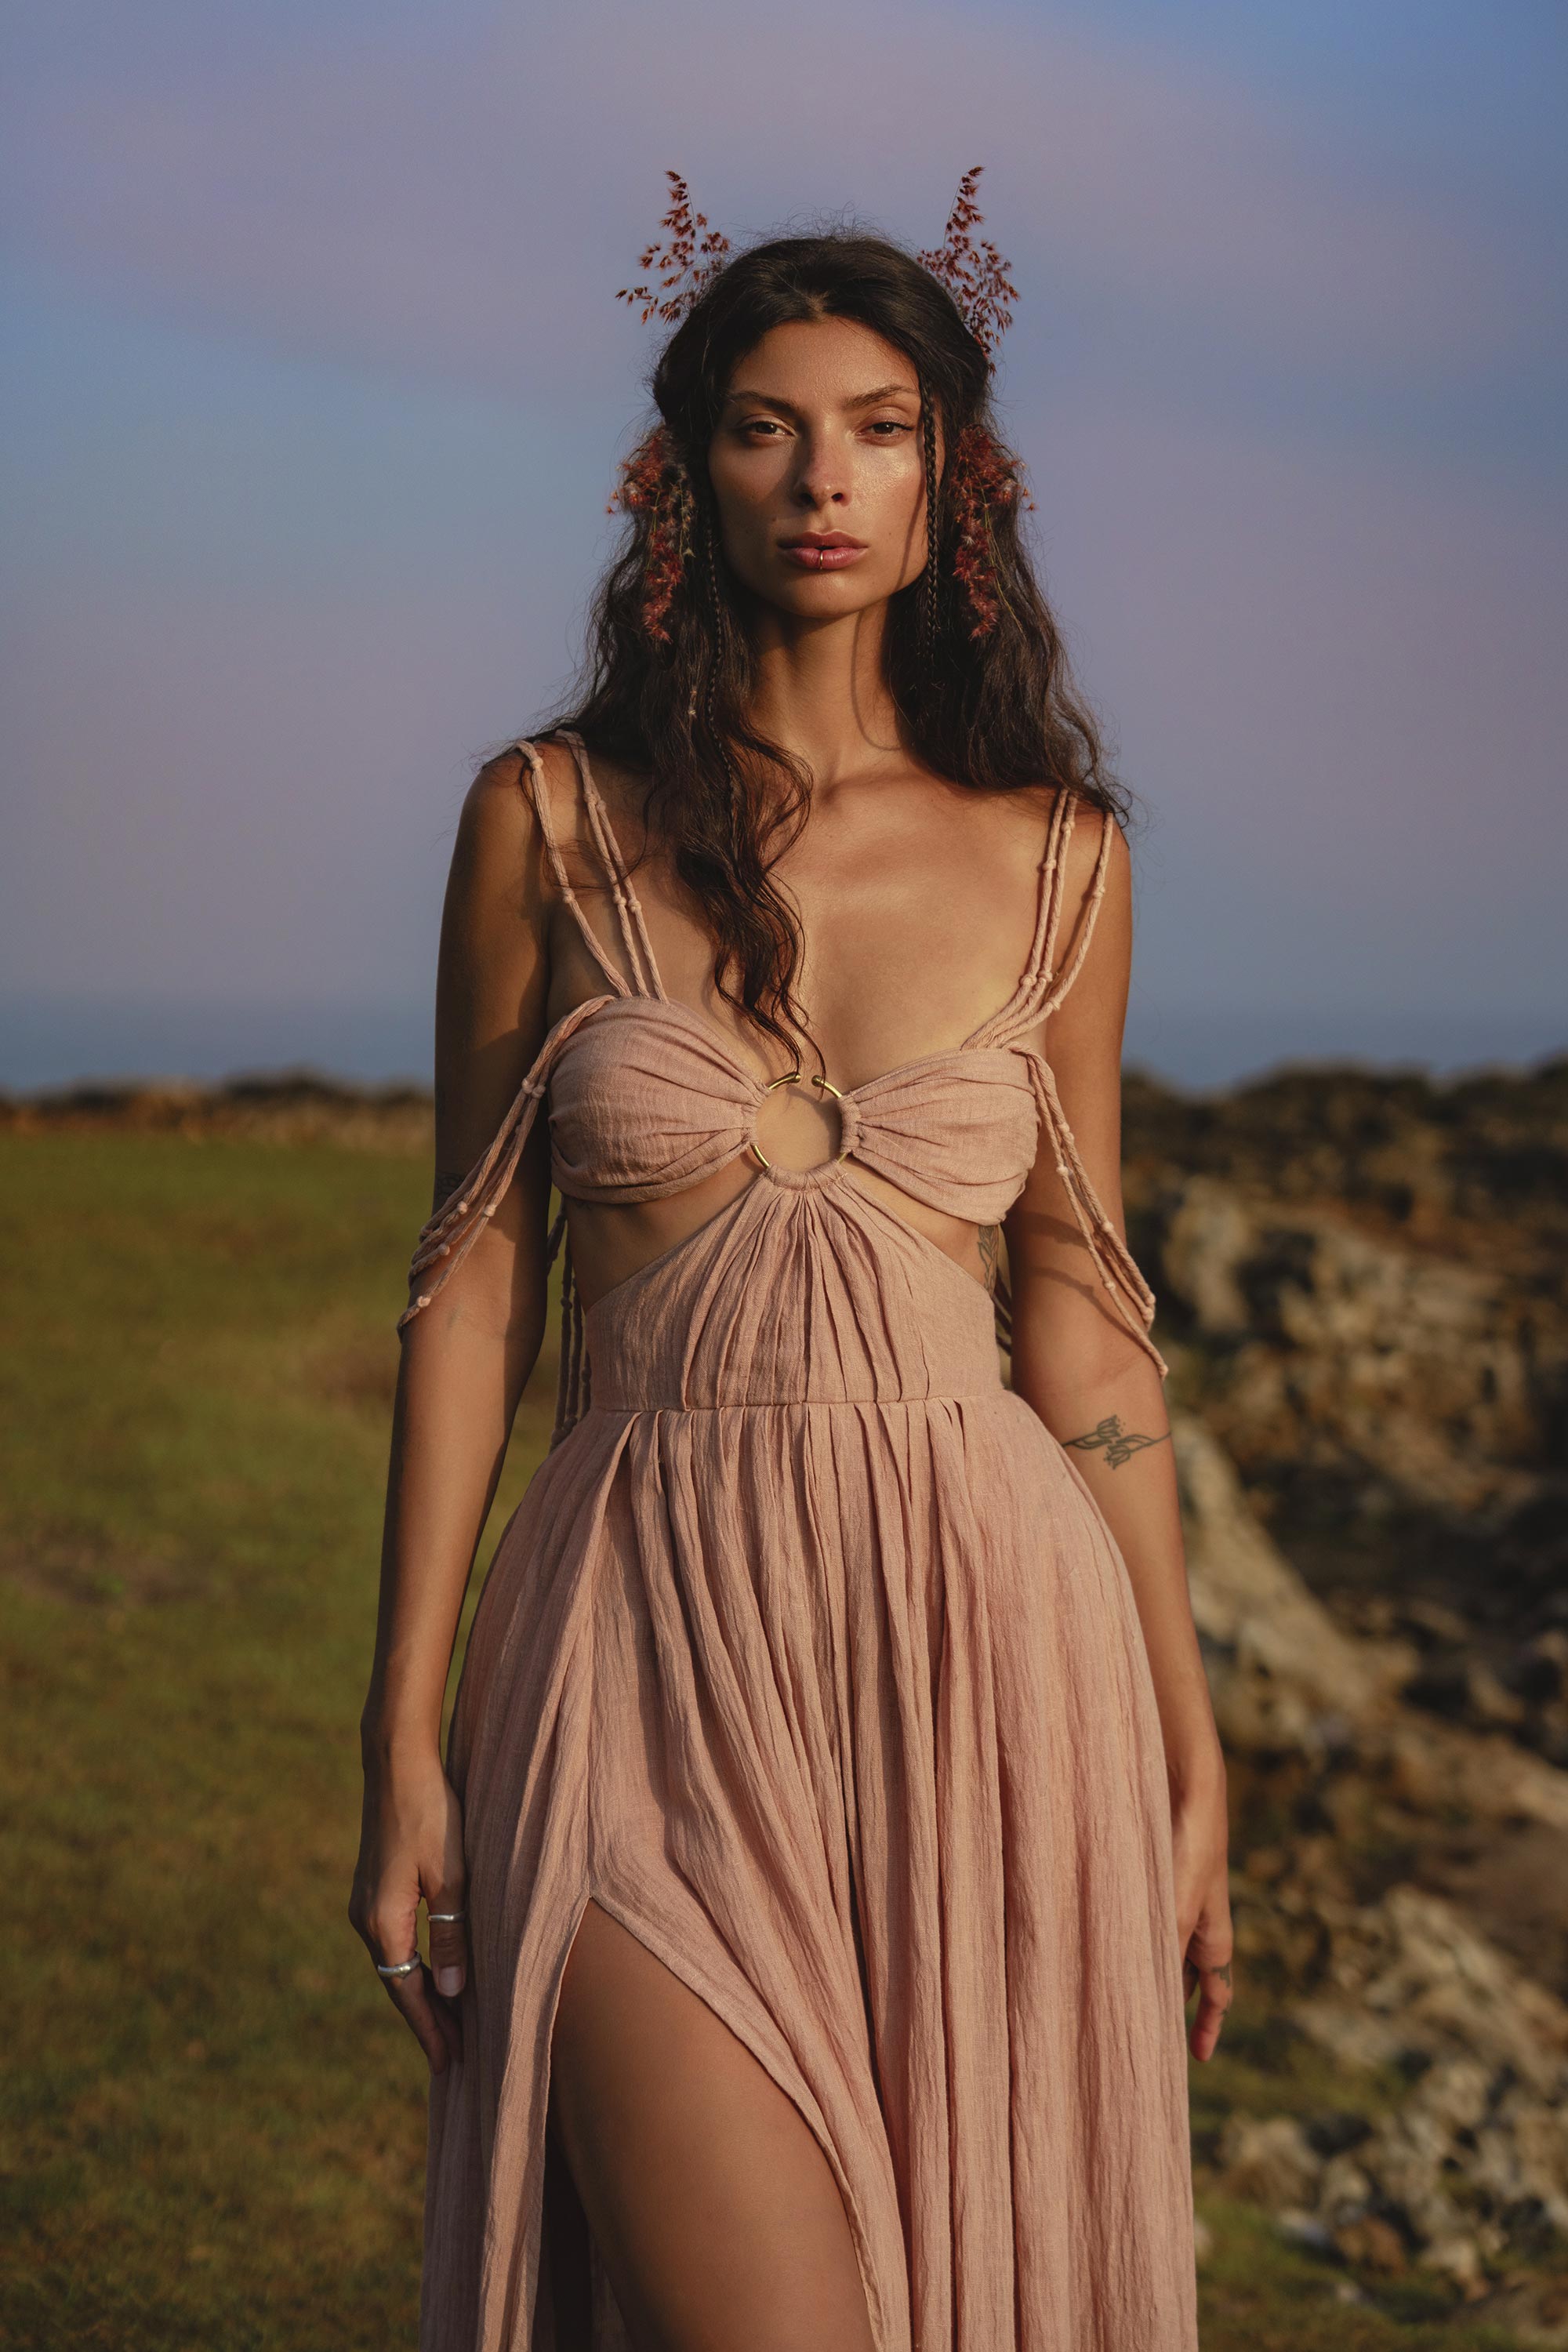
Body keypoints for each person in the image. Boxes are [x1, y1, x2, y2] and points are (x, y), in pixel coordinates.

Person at [350, 176, 1231, 2352]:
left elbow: (1085, 1318)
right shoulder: (544, 822)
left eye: (880, 425)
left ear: (955, 480)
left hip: (986, 1652)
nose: (822, 475)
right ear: (686, 474)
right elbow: (472, 1282)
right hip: (639, 1632)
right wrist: (399, 1729)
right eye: (764, 426)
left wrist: (1191, 1745)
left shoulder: (1061, 861)